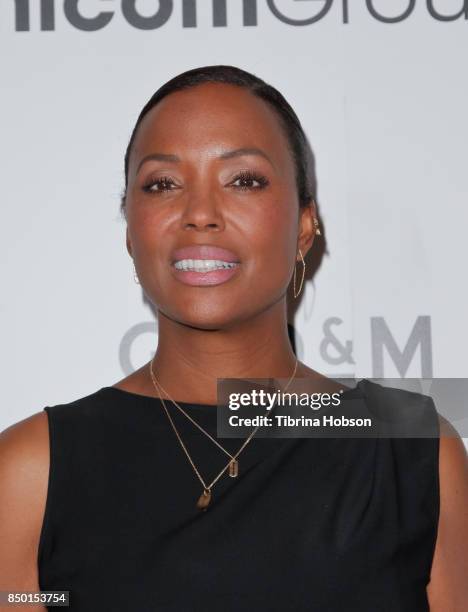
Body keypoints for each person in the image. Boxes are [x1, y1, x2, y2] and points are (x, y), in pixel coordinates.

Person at [0, 65, 467, 612]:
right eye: (162, 184)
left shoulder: (410, 451)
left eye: (244, 180)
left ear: (304, 228)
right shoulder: (34, 471)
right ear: (131, 232)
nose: (200, 214)